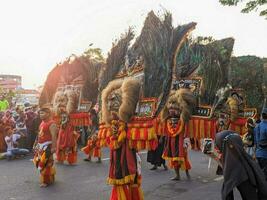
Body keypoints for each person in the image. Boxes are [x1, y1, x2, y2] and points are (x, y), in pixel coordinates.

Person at [215, 130, 267, 200]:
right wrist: (213, 156)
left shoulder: (238, 169)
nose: (218, 149)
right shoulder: (240, 159)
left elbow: (228, 188)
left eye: (220, 146)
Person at [161, 89, 196, 180]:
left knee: (183, 156)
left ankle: (187, 172)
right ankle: (177, 175)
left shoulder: (183, 119)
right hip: (170, 138)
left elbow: (187, 127)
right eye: (170, 108)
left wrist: (186, 138)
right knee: (173, 156)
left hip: (180, 138)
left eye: (174, 109)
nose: (172, 110)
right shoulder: (168, 118)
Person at [33, 106, 58, 187]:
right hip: (40, 146)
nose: (40, 115)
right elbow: (39, 134)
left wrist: (54, 147)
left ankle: (45, 181)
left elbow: (54, 136)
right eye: (40, 113)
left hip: (48, 146)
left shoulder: (52, 124)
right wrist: (36, 143)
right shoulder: (42, 122)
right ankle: (50, 178)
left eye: (42, 113)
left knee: (45, 163)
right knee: (39, 162)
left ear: (48, 114)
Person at [254, 108, 267, 180]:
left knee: (258, 173)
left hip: (258, 153)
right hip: (265, 155)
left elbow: (255, 142)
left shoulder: (257, 126)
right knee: (264, 175)